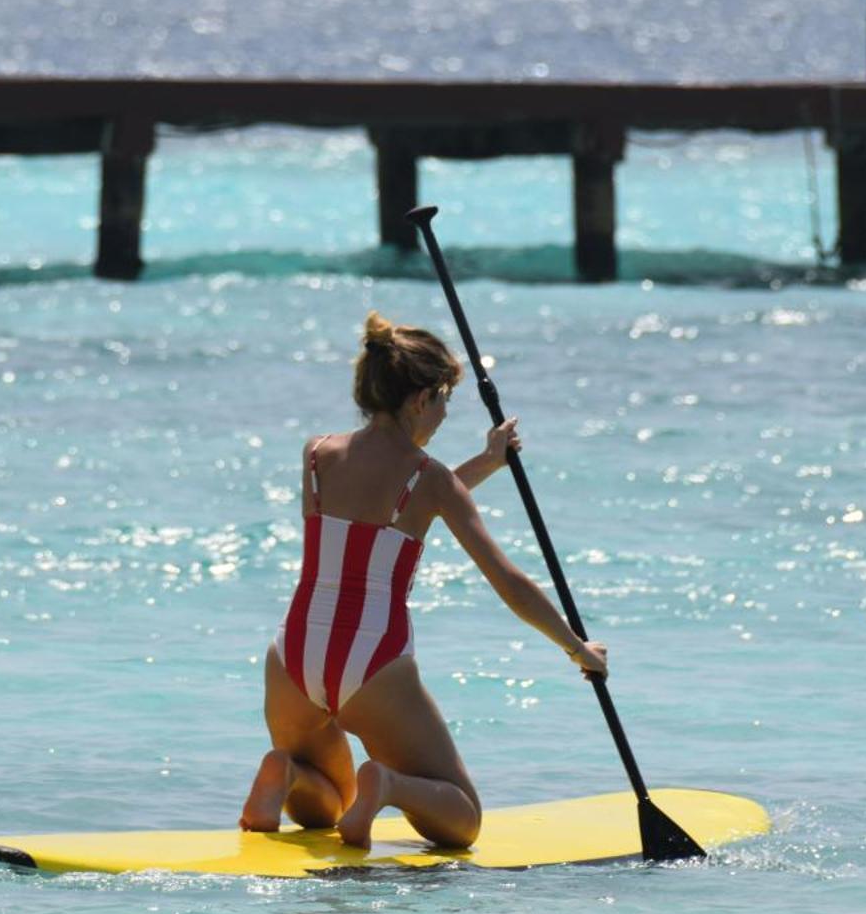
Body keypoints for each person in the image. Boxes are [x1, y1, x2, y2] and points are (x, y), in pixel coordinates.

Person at [240, 312, 608, 849]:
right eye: (442, 400)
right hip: (371, 660)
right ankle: (386, 783)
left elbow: (390, 509)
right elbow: (506, 579)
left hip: (294, 651)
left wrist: (485, 463)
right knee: (462, 820)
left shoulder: (318, 454)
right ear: (419, 400)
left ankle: (286, 772)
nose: (441, 415)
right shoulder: (428, 478)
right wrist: (576, 647)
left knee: (326, 806)